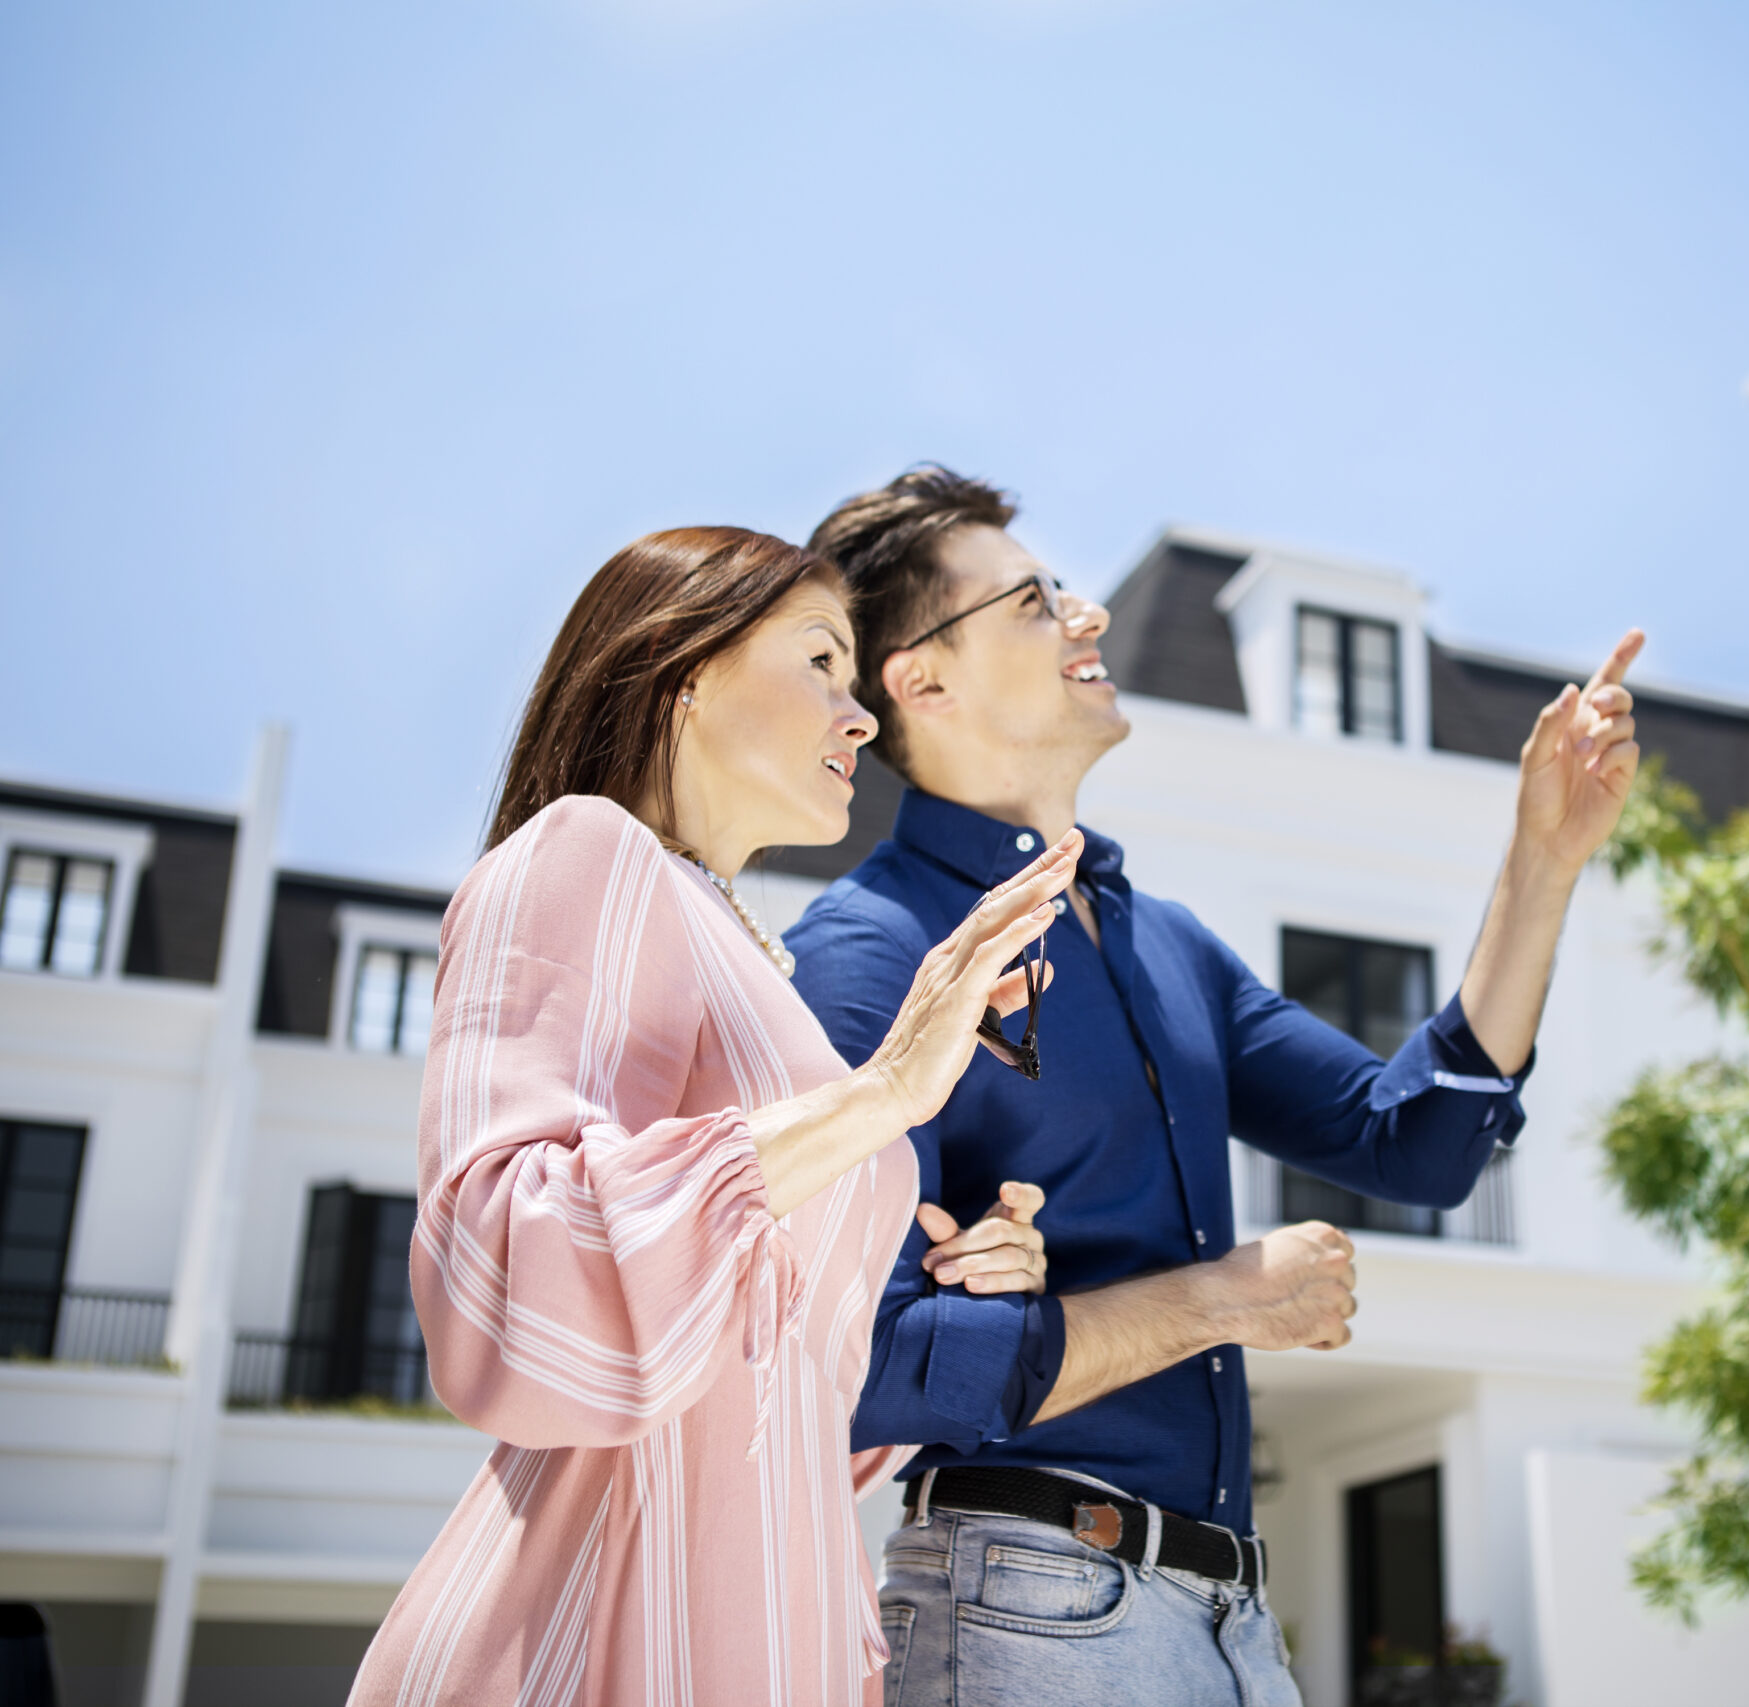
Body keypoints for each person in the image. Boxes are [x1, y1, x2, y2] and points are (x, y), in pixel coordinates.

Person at [788, 470, 1643, 1707]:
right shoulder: (868, 956)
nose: (1083, 618)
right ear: (923, 680)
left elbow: (1415, 1143)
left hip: (1228, 1616)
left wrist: (1544, 861)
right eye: (1035, 602)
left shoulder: (1162, 943)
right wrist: (1220, 1301)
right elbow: (858, 1362)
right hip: (1027, 1603)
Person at [350, 527, 1072, 1707]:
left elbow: (783, 1390)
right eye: (820, 662)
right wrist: (883, 1093)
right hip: (604, 1636)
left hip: (770, 1632)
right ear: (682, 672)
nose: (862, 718)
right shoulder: (584, 854)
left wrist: (949, 1285)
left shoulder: (754, 968)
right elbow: (506, 1270)